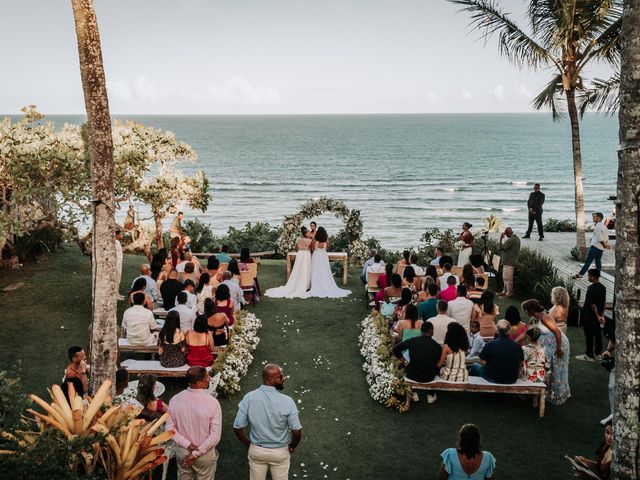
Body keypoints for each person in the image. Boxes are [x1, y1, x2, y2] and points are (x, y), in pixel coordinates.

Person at [233, 364, 302, 480]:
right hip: (280, 452)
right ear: (270, 380)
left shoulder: (249, 397)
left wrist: (248, 444)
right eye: (280, 377)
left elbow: (237, 427)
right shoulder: (288, 401)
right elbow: (297, 432)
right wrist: (292, 446)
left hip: (257, 451)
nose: (283, 379)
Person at [167, 366, 222, 479]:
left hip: (183, 452)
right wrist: (196, 453)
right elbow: (215, 437)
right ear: (198, 383)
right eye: (206, 377)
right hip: (204, 454)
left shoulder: (175, 399)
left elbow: (170, 429)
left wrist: (187, 446)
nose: (210, 378)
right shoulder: (212, 403)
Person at [522, 299, 571, 405]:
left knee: (557, 368)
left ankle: (557, 394)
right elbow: (526, 332)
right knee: (549, 367)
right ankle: (548, 390)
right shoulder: (533, 319)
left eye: (526, 310)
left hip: (558, 343)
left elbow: (557, 332)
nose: (526, 312)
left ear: (531, 309)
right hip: (548, 346)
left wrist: (559, 349)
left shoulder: (544, 317)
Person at [393, 322, 442, 403]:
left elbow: (395, 349)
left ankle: (413, 392)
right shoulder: (437, 346)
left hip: (412, 374)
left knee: (401, 366)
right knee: (437, 368)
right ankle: (431, 394)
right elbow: (437, 363)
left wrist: (405, 362)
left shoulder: (413, 341)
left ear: (421, 331)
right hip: (429, 377)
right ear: (432, 333)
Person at [469, 319, 523, 384]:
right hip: (511, 379)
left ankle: (470, 388)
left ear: (497, 331)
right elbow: (520, 363)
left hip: (493, 378)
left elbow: (482, 361)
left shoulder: (490, 344)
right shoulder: (517, 346)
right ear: (509, 331)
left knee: (474, 366)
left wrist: (492, 368)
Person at [265, 226, 313, 298]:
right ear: (305, 233)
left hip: (300, 254)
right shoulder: (310, 240)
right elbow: (311, 249)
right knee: (306, 269)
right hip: (306, 254)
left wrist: (300, 250)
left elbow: (296, 248)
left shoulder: (298, 239)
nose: (309, 233)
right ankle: (306, 285)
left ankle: (298, 283)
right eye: (308, 232)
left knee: (299, 269)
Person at [306, 226, 352, 298]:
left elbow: (312, 249)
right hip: (323, 256)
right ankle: (324, 284)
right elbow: (327, 248)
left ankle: (316, 285)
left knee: (316, 270)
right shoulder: (326, 240)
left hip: (316, 255)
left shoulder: (315, 240)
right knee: (324, 270)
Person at [576, 269, 607, 362]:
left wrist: (597, 315)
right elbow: (604, 302)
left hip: (589, 316)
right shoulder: (603, 288)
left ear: (593, 276)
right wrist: (602, 315)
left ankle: (589, 355)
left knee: (589, 335)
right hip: (598, 316)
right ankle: (598, 354)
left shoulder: (591, 289)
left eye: (589, 275)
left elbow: (593, 305)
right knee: (598, 334)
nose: (588, 277)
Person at [575, 212, 610, 277]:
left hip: (595, 247)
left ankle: (581, 274)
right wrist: (604, 245)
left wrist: (604, 245)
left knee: (588, 261)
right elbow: (607, 237)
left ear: (599, 218)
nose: (593, 218)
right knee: (598, 262)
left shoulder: (598, 226)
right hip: (600, 248)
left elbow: (600, 238)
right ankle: (597, 274)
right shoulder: (604, 226)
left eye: (594, 217)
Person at [498, 227, 521, 297]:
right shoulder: (516, 238)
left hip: (509, 262)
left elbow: (503, 247)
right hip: (510, 261)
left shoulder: (511, 240)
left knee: (508, 279)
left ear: (508, 233)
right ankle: (504, 291)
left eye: (506, 233)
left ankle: (509, 293)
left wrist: (501, 238)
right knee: (505, 278)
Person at [115, 229, 124, 300]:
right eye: (121, 234)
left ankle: (117, 293)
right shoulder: (115, 242)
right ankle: (115, 295)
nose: (122, 236)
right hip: (116, 264)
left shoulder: (117, 242)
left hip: (119, 263)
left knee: (118, 278)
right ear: (117, 235)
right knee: (116, 278)